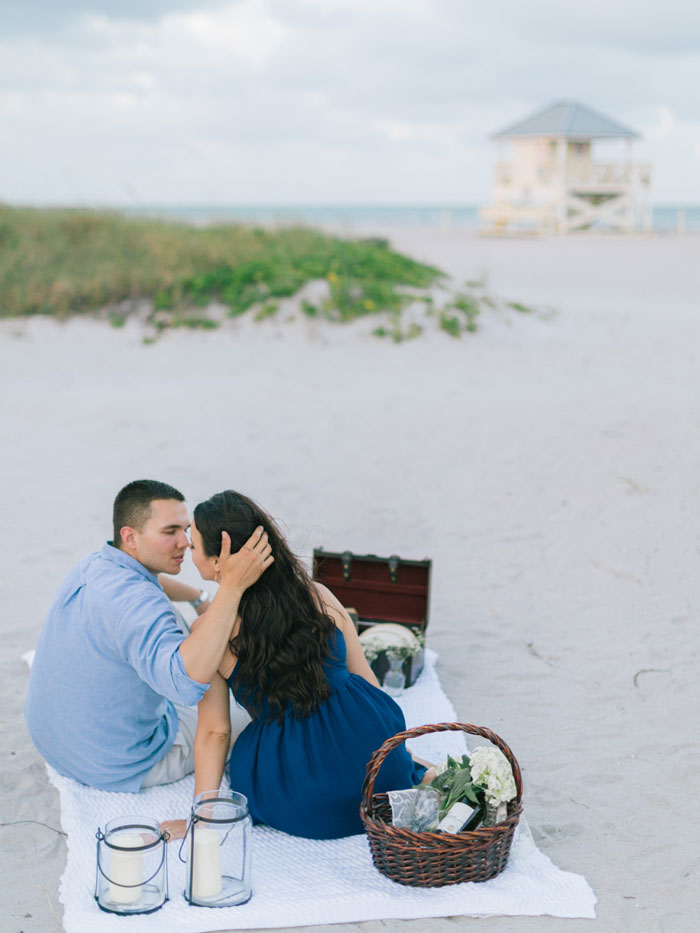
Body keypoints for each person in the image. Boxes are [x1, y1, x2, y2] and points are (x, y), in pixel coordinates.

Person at [170, 489, 427, 840]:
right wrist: (397, 754)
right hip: (377, 776)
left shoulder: (209, 636)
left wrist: (200, 819)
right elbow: (367, 683)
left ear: (219, 560)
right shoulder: (318, 595)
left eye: (194, 544)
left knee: (242, 762)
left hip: (304, 798)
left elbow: (216, 733)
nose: (187, 548)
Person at [24, 479, 273, 792]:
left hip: (57, 743)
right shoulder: (140, 607)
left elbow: (152, 584)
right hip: (121, 763)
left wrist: (198, 597)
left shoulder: (97, 564)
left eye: (185, 530)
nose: (184, 542)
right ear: (130, 536)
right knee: (243, 710)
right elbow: (187, 682)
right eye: (170, 532)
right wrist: (233, 587)